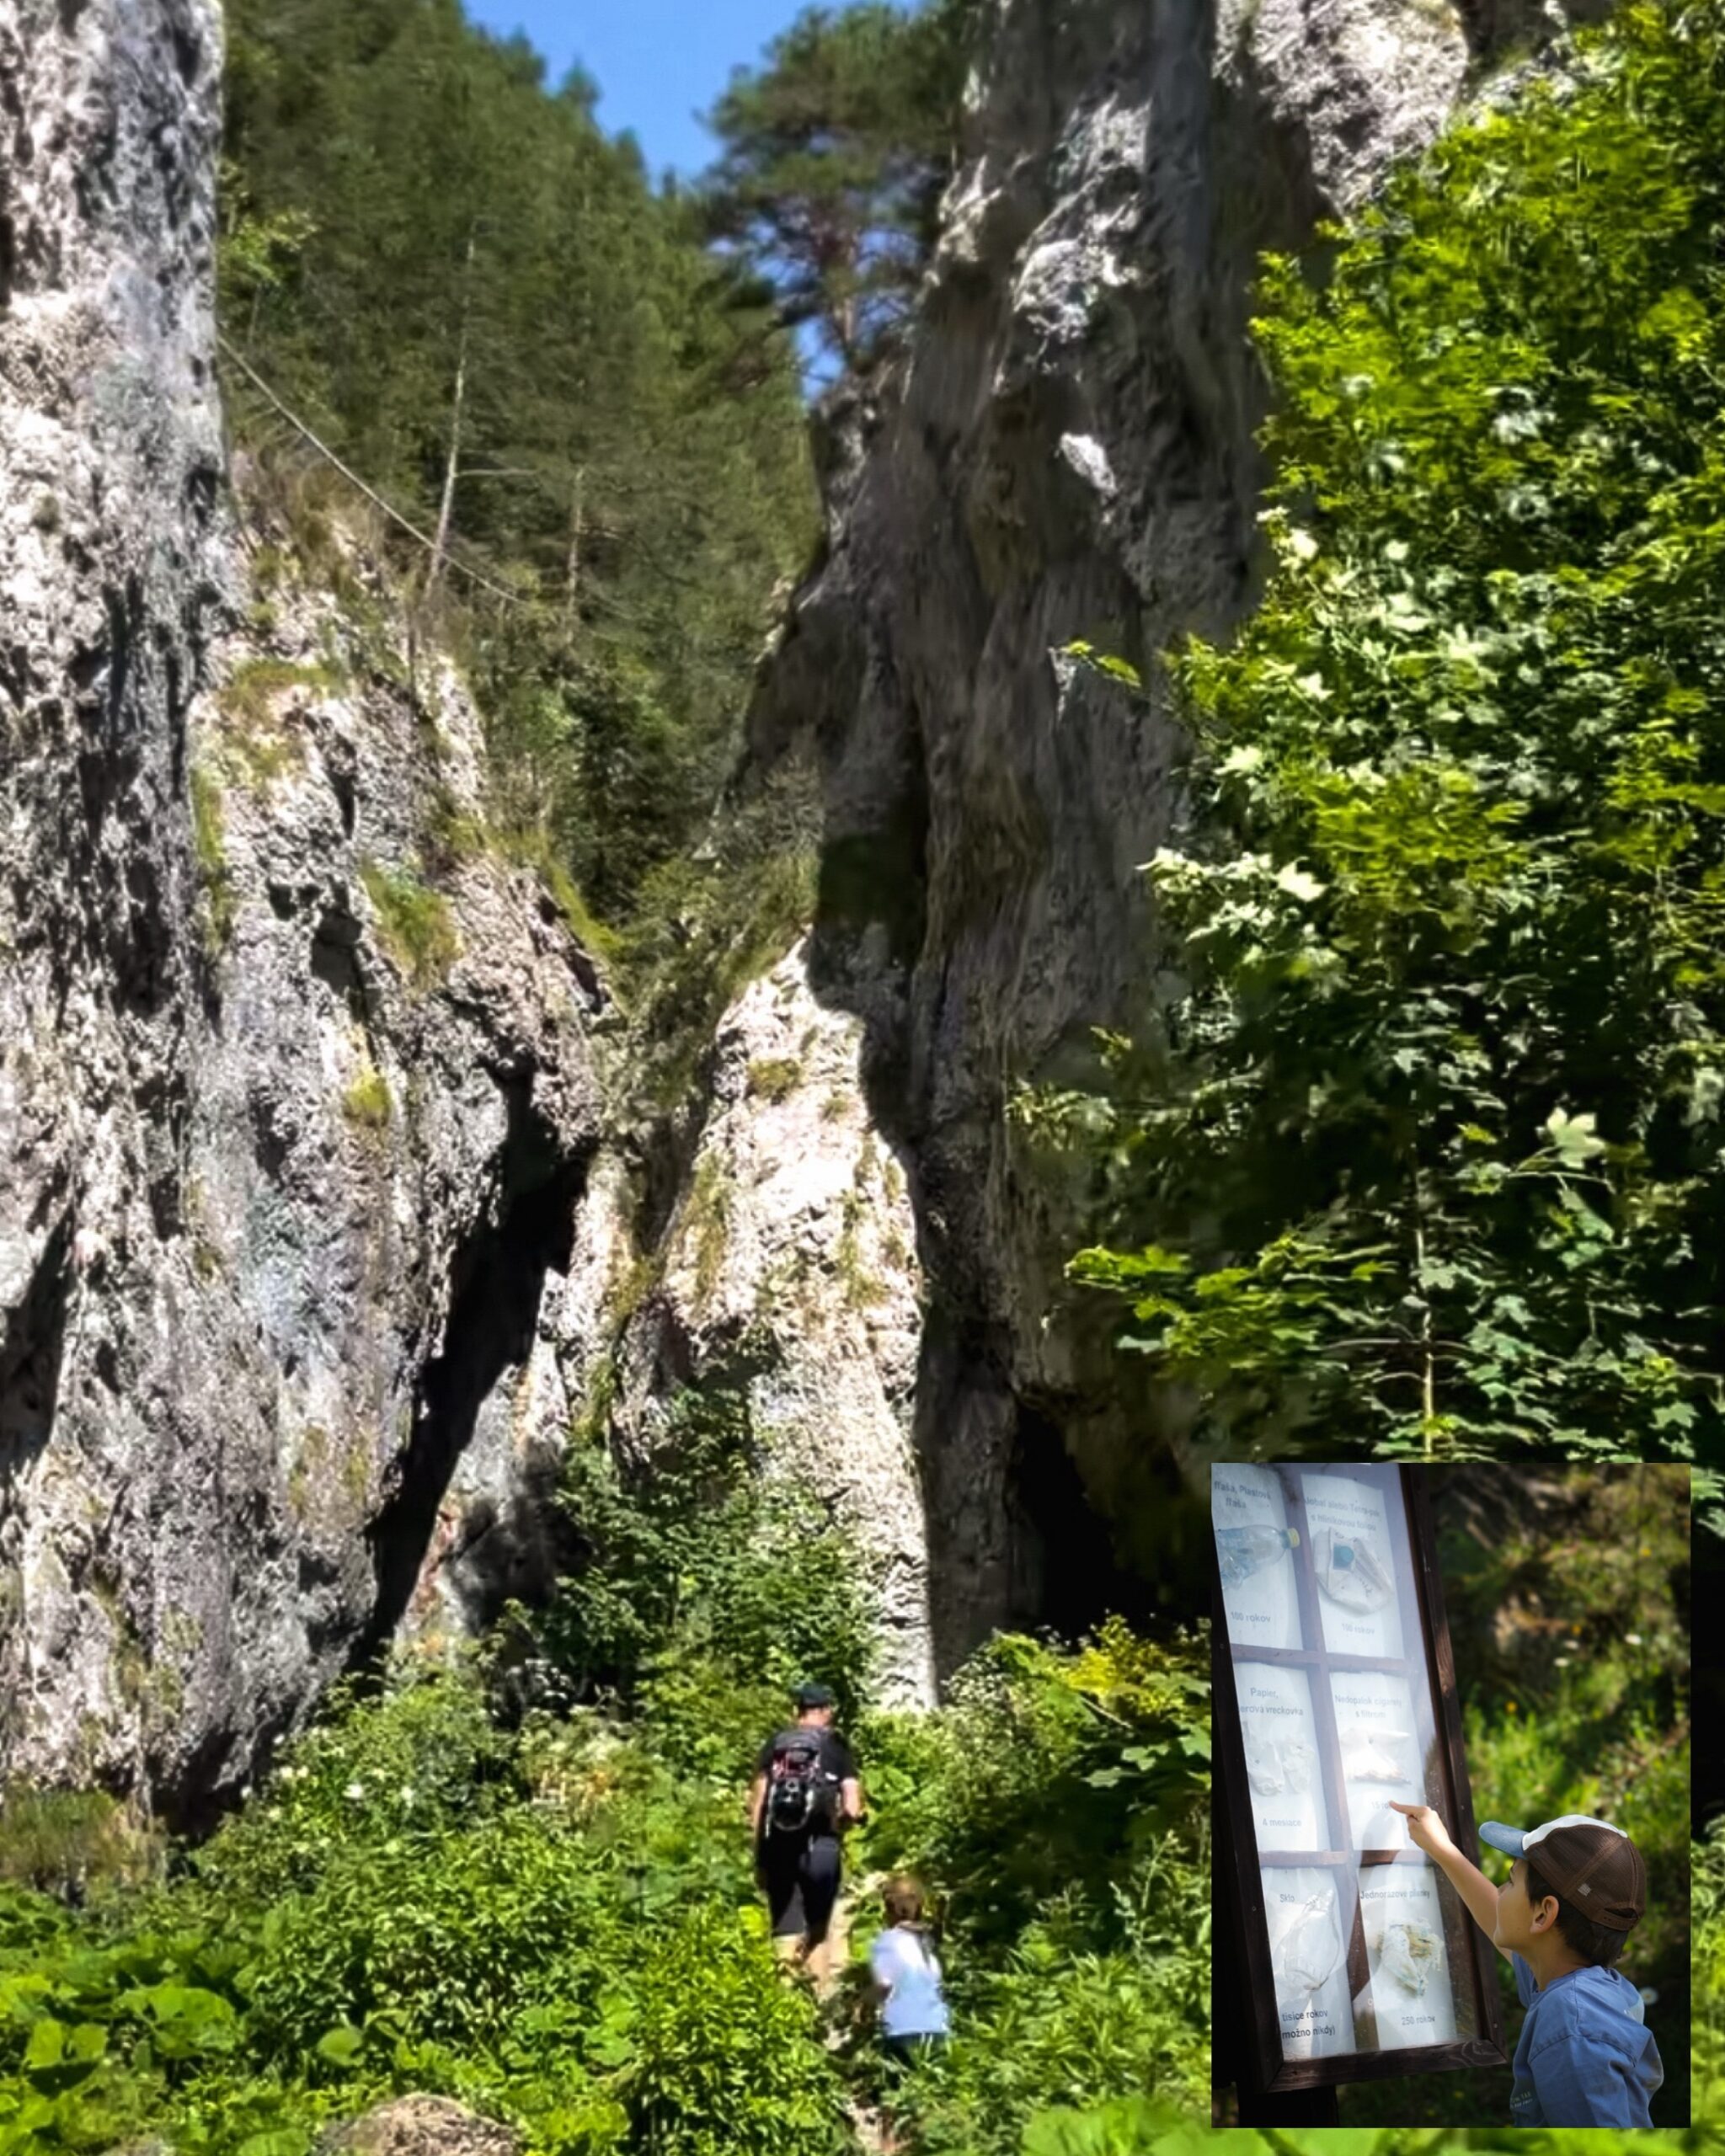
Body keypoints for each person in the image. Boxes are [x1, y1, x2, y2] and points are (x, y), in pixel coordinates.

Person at [1389, 1802, 1663, 2127]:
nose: (1501, 1891)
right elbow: (1496, 1916)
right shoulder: (1582, 1986)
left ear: (1543, 1914)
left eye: (1510, 1881)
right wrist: (1444, 1850)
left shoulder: (1572, 2029)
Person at [748, 1680, 862, 1988]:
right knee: (819, 1930)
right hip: (822, 1849)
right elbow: (852, 1806)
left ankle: (786, 2013)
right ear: (825, 1711)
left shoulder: (775, 1744)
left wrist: (759, 1858)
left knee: (786, 1930)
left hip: (778, 1849)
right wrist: (845, 1822)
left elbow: (758, 1805)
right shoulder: (836, 1745)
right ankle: (820, 2012)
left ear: (796, 1711)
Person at [868, 1874, 951, 2066]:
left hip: (902, 2029)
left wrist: (863, 2003)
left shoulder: (887, 1941)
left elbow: (884, 1985)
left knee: (899, 2085)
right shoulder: (927, 1942)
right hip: (937, 2027)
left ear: (888, 1909)